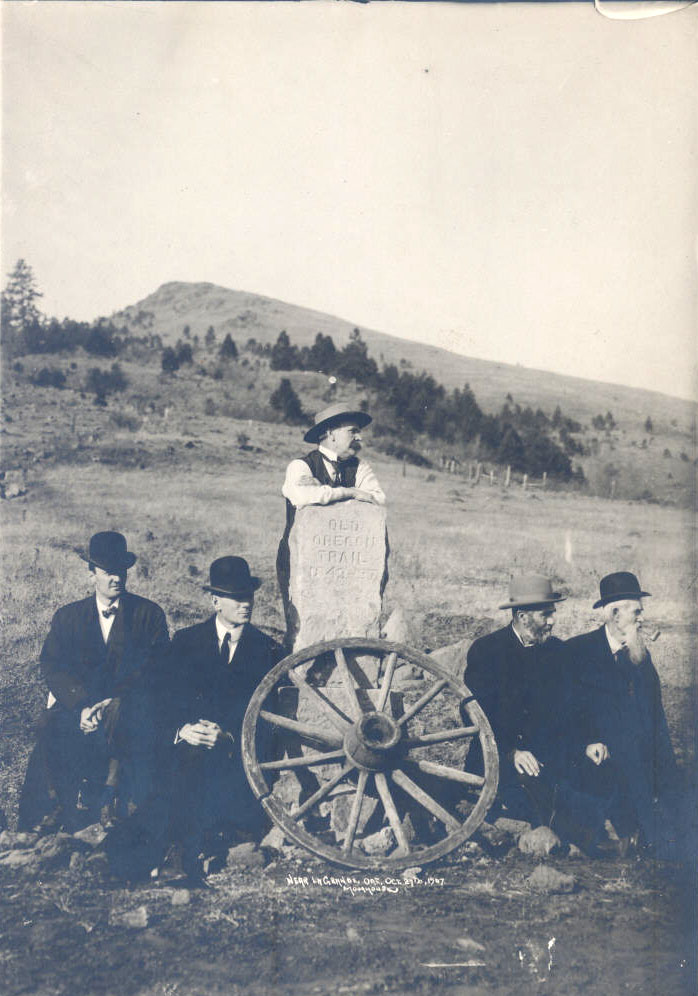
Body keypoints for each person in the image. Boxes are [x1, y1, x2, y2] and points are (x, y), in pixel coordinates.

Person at [18, 532, 169, 832]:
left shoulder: (148, 615)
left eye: (121, 571)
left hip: (128, 707)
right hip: (79, 706)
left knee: (124, 716)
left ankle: (108, 800)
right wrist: (83, 706)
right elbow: (54, 666)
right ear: (92, 574)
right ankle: (54, 806)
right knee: (48, 725)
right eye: (107, 572)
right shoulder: (68, 618)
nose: (116, 578)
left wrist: (114, 702)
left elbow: (157, 667)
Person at [148, 556, 284, 879]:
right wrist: (183, 730)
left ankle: (186, 851)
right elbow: (160, 702)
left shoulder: (268, 651)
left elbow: (272, 723)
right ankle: (178, 852)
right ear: (214, 600)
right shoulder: (184, 643)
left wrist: (227, 737)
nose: (245, 604)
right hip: (185, 752)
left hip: (234, 759)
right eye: (237, 598)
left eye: (248, 596)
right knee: (185, 761)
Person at [565, 572, 678, 855]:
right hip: (593, 755)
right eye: (636, 612)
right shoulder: (577, 652)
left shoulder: (640, 656)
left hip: (636, 756)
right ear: (615, 615)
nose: (642, 619)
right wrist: (586, 742)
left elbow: (655, 718)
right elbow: (565, 712)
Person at [464, 574, 579, 835]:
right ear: (522, 616)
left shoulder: (558, 652)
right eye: (545, 615)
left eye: (552, 613)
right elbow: (474, 715)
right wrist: (511, 752)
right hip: (496, 756)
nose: (552, 621)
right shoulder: (487, 651)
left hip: (546, 757)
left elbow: (568, 711)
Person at [277, 401, 386, 632]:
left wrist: (323, 492)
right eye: (352, 431)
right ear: (330, 434)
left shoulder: (361, 467)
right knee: (304, 631)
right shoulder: (300, 466)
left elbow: (377, 499)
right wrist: (348, 492)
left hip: (356, 562)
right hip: (304, 564)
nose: (360, 438)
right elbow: (300, 495)